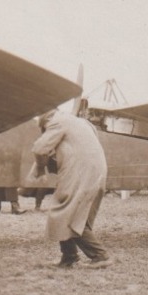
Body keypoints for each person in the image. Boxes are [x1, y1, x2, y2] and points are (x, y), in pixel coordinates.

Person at [30, 108, 111, 269]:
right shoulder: (81, 122)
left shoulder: (57, 122)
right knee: (79, 216)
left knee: (68, 215)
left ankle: (100, 256)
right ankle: (69, 258)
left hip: (80, 173)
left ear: (46, 120)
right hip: (96, 172)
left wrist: (40, 169)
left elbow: (40, 148)